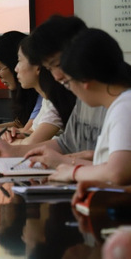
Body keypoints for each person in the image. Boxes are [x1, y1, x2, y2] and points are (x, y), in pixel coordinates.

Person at [0, 15, 105, 168]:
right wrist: (11, 150)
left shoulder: (117, 101)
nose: (57, 76)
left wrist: (68, 163)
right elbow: (65, 143)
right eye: (50, 67)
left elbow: (115, 169)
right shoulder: (80, 100)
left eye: (55, 64)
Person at [42, 28, 131, 184]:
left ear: (84, 80)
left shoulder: (124, 106)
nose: (70, 89)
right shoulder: (120, 104)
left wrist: (74, 172)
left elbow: (117, 172)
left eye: (68, 83)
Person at [5, 36, 75, 145]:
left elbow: (31, 143)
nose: (16, 69)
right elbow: (32, 131)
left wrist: (4, 143)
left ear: (37, 67)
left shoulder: (57, 101)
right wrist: (14, 135)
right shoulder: (46, 100)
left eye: (19, 60)